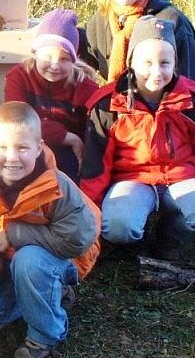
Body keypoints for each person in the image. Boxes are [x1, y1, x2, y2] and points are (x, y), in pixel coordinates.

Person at [0, 102, 100, 358]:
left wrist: (16, 235)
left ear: (38, 148)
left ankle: (45, 335)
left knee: (30, 260)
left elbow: (77, 240)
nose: (12, 157)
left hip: (65, 258)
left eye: (22, 148)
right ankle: (50, 294)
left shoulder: (57, 185)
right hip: (14, 257)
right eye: (2, 148)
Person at [81, 16, 195, 261]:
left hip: (182, 177)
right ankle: (135, 241)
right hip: (133, 180)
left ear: (175, 63)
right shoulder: (108, 103)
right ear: (131, 62)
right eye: (147, 63)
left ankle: (171, 236)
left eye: (165, 63)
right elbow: (96, 164)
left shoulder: (190, 98)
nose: (156, 71)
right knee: (119, 226)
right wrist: (89, 212)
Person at [5, 10, 98, 182]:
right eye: (48, 56)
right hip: (26, 146)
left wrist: (77, 142)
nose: (55, 65)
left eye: (64, 59)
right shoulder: (19, 76)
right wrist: (68, 137)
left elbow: (94, 133)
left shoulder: (85, 87)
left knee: (69, 167)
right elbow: (17, 123)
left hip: (69, 156)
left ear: (74, 60)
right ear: (35, 53)